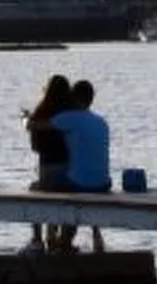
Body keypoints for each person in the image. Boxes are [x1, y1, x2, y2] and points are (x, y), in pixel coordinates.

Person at [45, 78, 111, 252]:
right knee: (75, 188)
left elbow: (35, 126)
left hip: (80, 185)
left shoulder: (68, 118)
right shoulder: (101, 122)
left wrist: (25, 119)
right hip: (104, 184)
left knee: (46, 186)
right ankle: (70, 240)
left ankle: (52, 236)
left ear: (75, 98)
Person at [20, 74, 72, 254]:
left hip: (48, 171)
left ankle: (37, 239)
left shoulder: (41, 114)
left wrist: (26, 119)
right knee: (65, 197)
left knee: (35, 190)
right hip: (72, 174)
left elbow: (36, 146)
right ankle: (62, 240)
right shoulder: (72, 114)